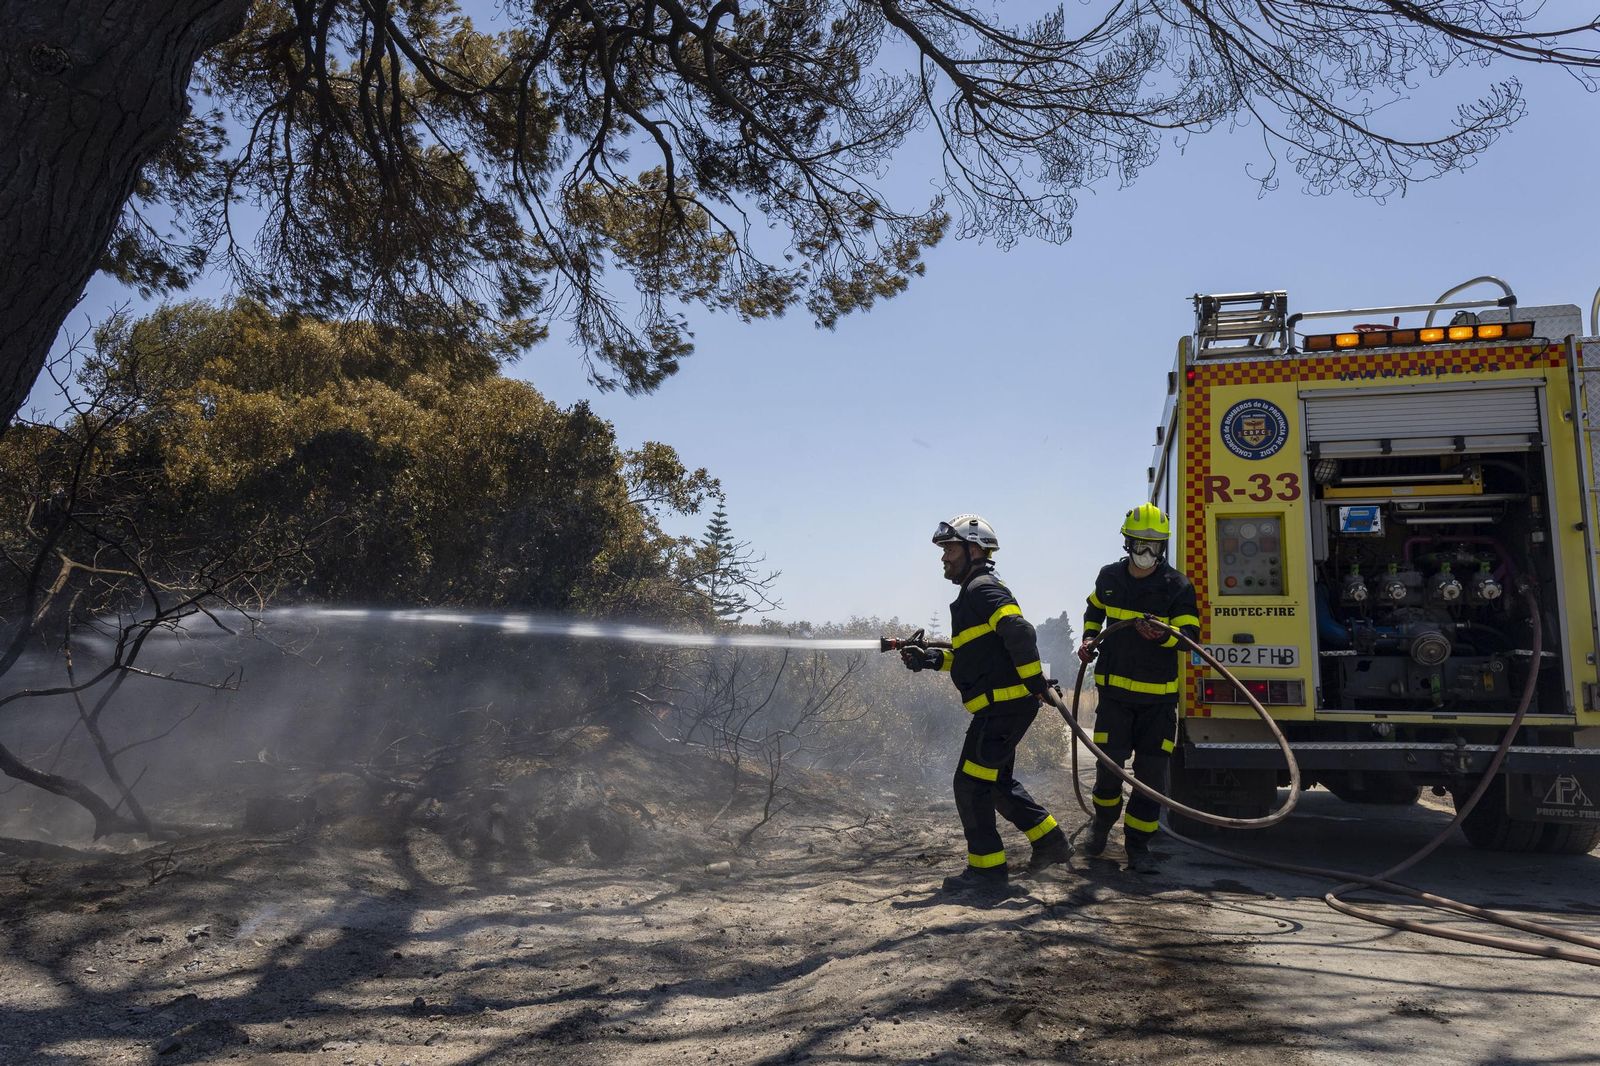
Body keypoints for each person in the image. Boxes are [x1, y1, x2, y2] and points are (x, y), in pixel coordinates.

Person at [902, 514, 1074, 895]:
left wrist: (1035, 682)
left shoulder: (981, 589)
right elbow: (975, 659)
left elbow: (1020, 632)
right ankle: (1050, 842)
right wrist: (930, 659)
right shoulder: (974, 594)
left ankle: (987, 873)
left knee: (969, 784)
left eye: (950, 549)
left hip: (1003, 709)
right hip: (1005, 707)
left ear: (974, 549)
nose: (944, 557)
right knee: (995, 784)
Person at [1077, 503, 1199, 873]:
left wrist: (1163, 636)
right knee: (1108, 773)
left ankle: (1138, 847)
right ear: (1127, 543)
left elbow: (1190, 637)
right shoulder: (1109, 577)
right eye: (1140, 544)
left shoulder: (1177, 586)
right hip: (1115, 699)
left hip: (1157, 704)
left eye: (1154, 545)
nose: (1146, 552)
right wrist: (1089, 638)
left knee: (1151, 780)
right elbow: (1094, 610)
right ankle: (1101, 826)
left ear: (1163, 547)